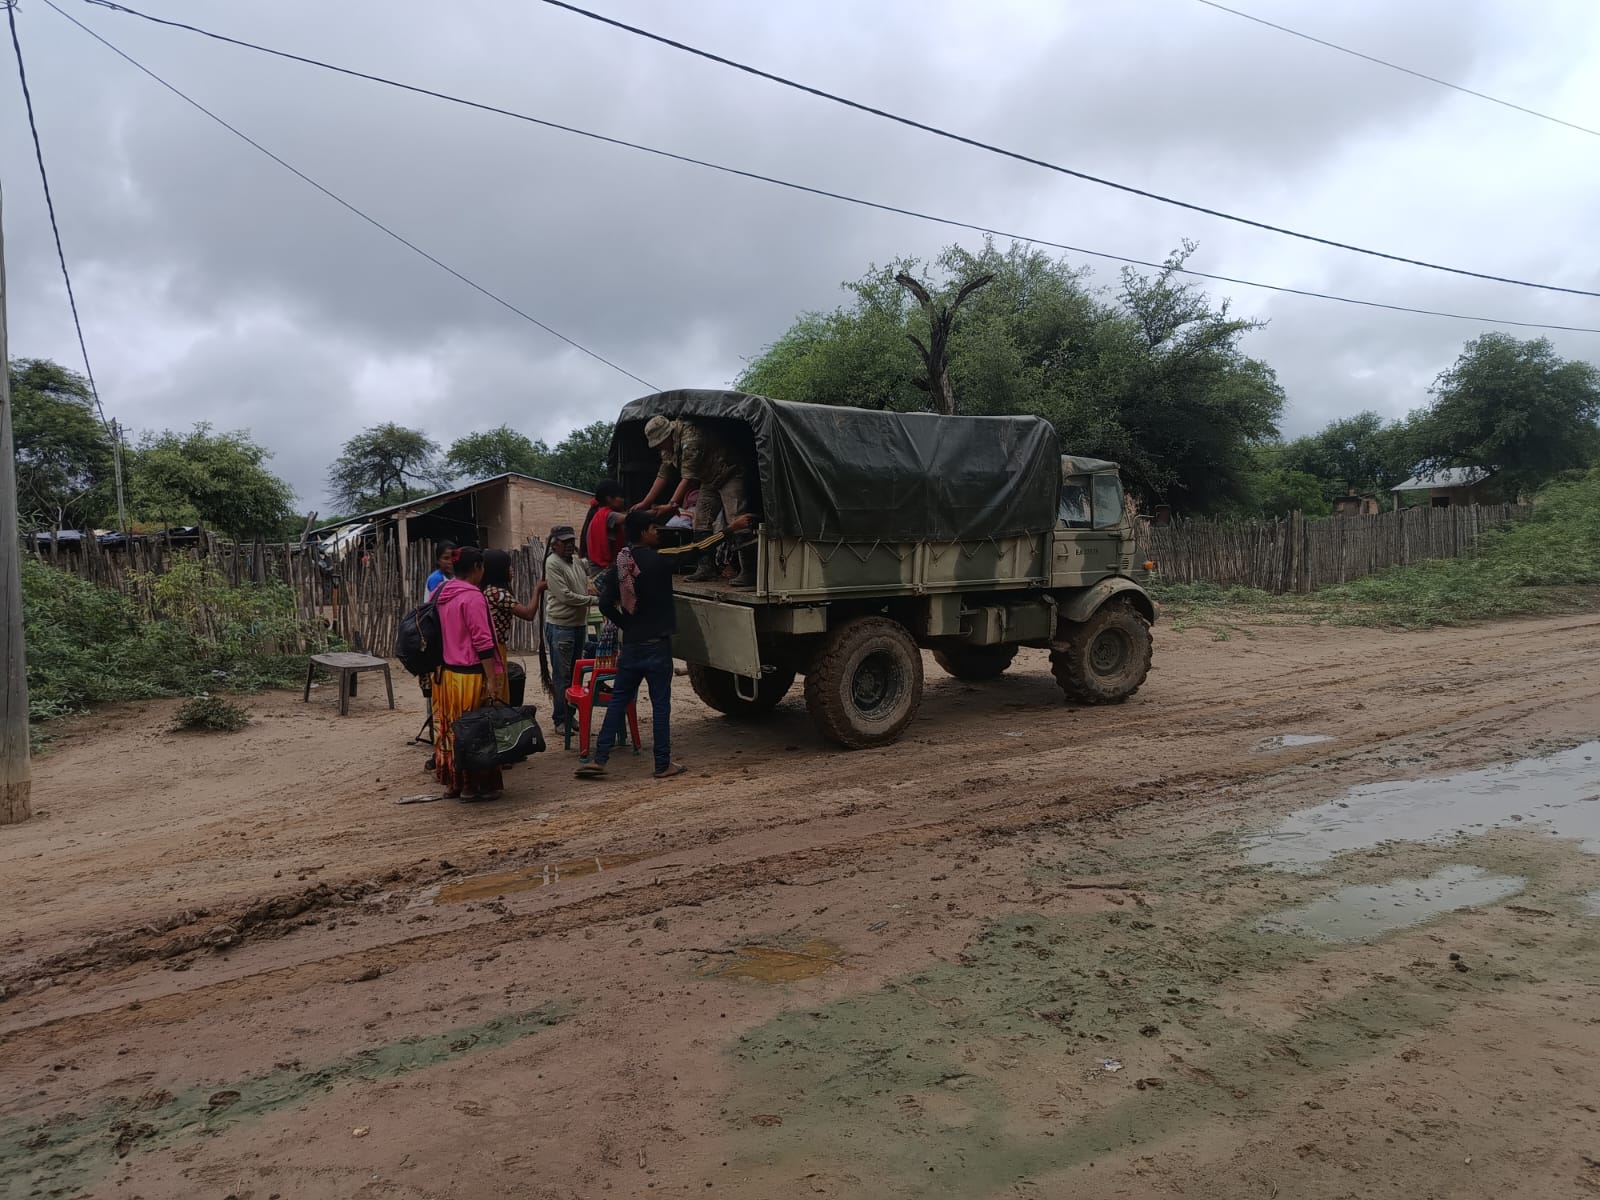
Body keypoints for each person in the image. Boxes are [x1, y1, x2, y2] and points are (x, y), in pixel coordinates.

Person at [576, 511, 684, 780]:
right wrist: (729, 531)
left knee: (618, 702)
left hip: (632, 646)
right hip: (657, 646)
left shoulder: (621, 564)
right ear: (645, 532)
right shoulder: (659, 562)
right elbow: (693, 552)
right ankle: (662, 764)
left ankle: (599, 759)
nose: (657, 532)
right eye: (654, 528)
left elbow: (603, 604)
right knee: (660, 706)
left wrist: (627, 625)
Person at [633, 415, 757, 587]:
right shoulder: (668, 447)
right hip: (708, 479)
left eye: (660, 443)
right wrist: (645, 503)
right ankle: (706, 568)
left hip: (729, 473)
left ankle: (749, 572)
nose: (660, 447)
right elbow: (664, 473)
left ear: (667, 435)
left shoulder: (691, 438)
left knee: (737, 518)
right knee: (700, 521)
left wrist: (671, 505)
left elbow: (688, 478)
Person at [431, 547, 508, 800]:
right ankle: (472, 786)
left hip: (444, 676)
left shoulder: (439, 592)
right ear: (477, 567)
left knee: (451, 729)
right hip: (469, 676)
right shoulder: (472, 597)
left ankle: (453, 783)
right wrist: (492, 680)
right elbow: (483, 642)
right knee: (474, 732)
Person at [536, 526, 593, 731]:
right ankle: (561, 719)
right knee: (563, 676)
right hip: (562, 627)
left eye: (571, 540)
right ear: (554, 545)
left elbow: (592, 566)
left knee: (575, 675)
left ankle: (570, 715)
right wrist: (594, 600)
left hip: (578, 626)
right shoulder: (552, 563)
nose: (569, 544)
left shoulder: (575, 561)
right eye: (564, 541)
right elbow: (565, 596)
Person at [480, 549, 541, 700]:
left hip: (491, 647)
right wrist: (537, 590)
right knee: (498, 692)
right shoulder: (498, 594)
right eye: (508, 566)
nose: (511, 570)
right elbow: (528, 614)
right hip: (496, 647)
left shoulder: (487, 590)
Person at [581, 479, 627, 579]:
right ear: (609, 499)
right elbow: (630, 519)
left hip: (600, 570)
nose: (623, 500)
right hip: (602, 572)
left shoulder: (598, 514)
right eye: (621, 497)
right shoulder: (608, 515)